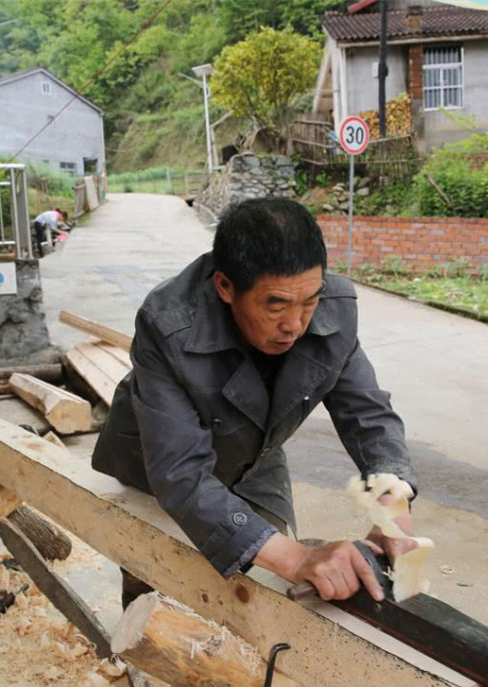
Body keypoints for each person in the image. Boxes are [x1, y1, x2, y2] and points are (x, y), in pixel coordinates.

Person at [92, 197, 417, 607]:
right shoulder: (168, 323)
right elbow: (179, 473)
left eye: (309, 301)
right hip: (154, 462)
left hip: (253, 457)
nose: (295, 324)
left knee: (268, 587)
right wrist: (298, 558)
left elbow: (367, 412)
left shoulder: (333, 308)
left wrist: (393, 499)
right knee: (156, 577)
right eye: (275, 305)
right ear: (226, 286)